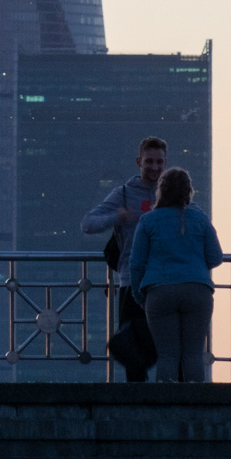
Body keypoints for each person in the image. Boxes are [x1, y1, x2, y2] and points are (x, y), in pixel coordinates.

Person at [81, 136, 168, 381]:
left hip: (164, 282)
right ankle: (138, 404)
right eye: (149, 161)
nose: (154, 167)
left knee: (168, 350)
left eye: (159, 162)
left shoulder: (171, 192)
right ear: (139, 162)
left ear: (166, 163)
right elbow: (88, 224)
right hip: (132, 282)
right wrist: (116, 217)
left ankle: (168, 401)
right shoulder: (122, 193)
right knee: (134, 351)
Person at [127, 168, 223, 383]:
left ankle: (166, 409)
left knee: (167, 355)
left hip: (159, 291)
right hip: (198, 290)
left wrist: (138, 295)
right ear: (189, 192)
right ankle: (197, 409)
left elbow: (136, 263)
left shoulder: (148, 221)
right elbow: (216, 257)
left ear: (161, 191)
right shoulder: (200, 219)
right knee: (193, 355)